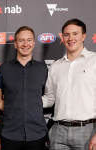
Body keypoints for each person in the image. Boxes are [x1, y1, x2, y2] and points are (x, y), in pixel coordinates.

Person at [43, 18, 96, 150]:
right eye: (66, 34)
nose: (70, 38)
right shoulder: (55, 66)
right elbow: (49, 99)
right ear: (62, 37)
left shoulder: (94, 61)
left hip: (88, 131)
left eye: (75, 34)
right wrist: (23, 100)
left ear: (83, 36)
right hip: (58, 132)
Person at [0, 26, 48, 150]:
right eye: (21, 40)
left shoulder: (43, 69)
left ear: (34, 43)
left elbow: (49, 96)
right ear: (15, 44)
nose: (25, 44)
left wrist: (32, 106)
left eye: (29, 40)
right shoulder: (4, 69)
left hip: (37, 134)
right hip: (10, 134)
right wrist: (12, 108)